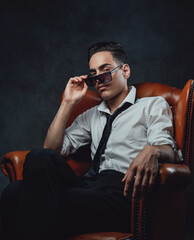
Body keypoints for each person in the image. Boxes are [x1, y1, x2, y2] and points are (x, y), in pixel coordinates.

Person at [0, 42, 181, 240]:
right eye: (94, 76)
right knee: (37, 160)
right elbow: (51, 149)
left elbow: (167, 148)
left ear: (125, 70)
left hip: (121, 192)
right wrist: (68, 103)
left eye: (105, 72)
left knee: (17, 195)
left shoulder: (151, 105)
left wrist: (152, 151)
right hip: (89, 185)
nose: (99, 81)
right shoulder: (91, 115)